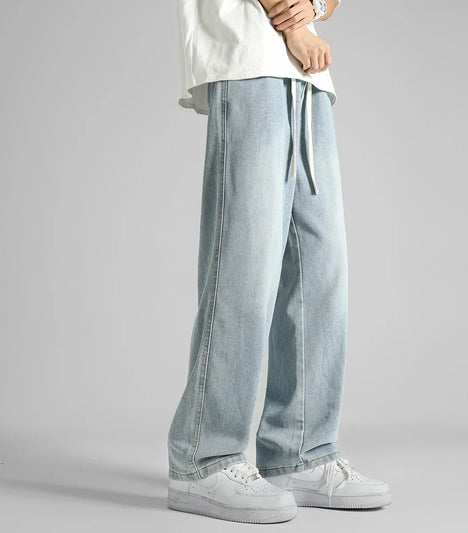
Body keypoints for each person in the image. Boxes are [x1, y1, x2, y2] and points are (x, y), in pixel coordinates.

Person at [167, 0, 391, 523]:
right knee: (244, 263)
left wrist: (313, 7)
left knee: (320, 268)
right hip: (250, 56)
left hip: (305, 75)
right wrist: (294, 27)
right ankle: (204, 457)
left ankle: (300, 452)